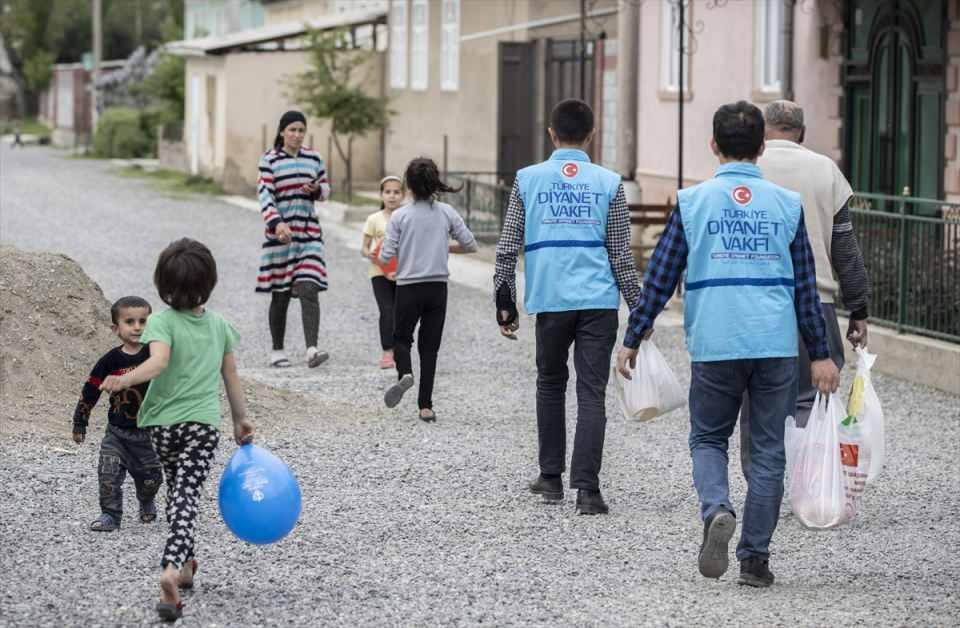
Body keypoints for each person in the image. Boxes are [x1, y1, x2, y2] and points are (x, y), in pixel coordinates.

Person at [615, 101, 840, 587]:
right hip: (775, 344)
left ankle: (717, 508)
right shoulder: (786, 204)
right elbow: (805, 286)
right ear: (762, 147)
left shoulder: (693, 203)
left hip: (716, 341)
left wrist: (633, 336)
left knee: (708, 438)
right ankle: (754, 560)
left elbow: (660, 277)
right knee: (767, 451)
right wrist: (820, 353)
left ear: (714, 146)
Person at [494, 98, 641, 515]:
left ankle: (551, 477)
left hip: (551, 298)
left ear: (551, 134)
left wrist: (505, 301)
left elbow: (508, 247)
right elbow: (620, 255)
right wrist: (639, 308)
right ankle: (588, 490)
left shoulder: (527, 180)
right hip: (597, 301)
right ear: (592, 135)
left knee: (550, 384)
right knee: (591, 391)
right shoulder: (609, 183)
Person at [101, 238, 254, 622]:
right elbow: (230, 377)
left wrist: (123, 379)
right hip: (201, 427)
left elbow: (158, 364)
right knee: (186, 497)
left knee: (178, 493)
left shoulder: (160, 322)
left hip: (163, 428)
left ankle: (185, 569)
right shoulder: (219, 325)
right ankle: (171, 570)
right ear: (210, 283)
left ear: (163, 285)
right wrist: (240, 419)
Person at [738, 100, 872, 474]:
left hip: (754, 301)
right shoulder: (825, 170)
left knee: (758, 397)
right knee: (812, 398)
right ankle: (808, 482)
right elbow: (845, 248)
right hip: (817, 299)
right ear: (803, 133)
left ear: (763, 131)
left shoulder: (747, 169)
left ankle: (761, 484)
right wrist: (858, 310)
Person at [379, 157, 478, 422]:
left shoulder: (400, 216)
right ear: (434, 182)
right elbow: (470, 244)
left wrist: (404, 248)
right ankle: (426, 406)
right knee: (430, 348)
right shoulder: (446, 212)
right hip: (437, 288)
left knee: (401, 338)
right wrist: (443, 247)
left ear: (408, 185)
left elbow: (386, 254)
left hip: (409, 286)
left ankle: (405, 374)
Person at [72, 296, 162, 532]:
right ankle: (110, 514)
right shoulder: (110, 361)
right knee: (108, 473)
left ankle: (146, 499)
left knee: (152, 479)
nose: (137, 327)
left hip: (149, 435)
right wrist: (80, 421)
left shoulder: (157, 357)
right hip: (117, 434)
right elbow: (91, 389)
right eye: (130, 321)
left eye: (143, 321)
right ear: (116, 328)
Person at [256, 110, 331, 369]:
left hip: (309, 233)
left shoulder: (314, 158)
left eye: (301, 130)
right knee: (281, 293)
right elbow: (265, 196)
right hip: (280, 236)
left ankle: (312, 349)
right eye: (292, 130)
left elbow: (326, 190)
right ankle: (277, 349)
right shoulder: (270, 160)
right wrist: (277, 223)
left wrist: (317, 190)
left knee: (310, 287)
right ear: (282, 132)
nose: (297, 135)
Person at [361, 175, 404, 369]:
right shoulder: (373, 219)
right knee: (386, 310)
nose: (392, 196)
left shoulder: (407, 217)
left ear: (403, 195)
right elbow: (364, 247)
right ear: (381, 195)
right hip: (378, 272)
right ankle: (387, 352)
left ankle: (401, 350)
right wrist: (370, 254)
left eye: (396, 192)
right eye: (388, 192)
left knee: (401, 313)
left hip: (403, 272)